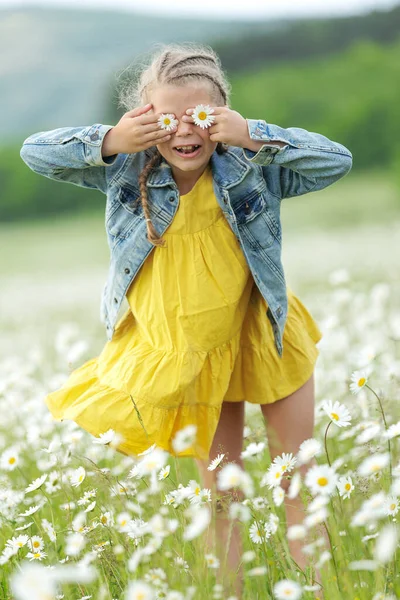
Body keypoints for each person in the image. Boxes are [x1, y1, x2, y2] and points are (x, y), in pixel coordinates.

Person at [20, 42, 352, 598]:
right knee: (221, 494)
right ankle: (231, 590)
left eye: (199, 116)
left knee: (297, 475)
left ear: (220, 116)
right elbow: (37, 152)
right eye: (165, 119)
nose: (183, 132)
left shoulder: (251, 167)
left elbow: (333, 161)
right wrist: (108, 141)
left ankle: (322, 589)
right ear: (144, 122)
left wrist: (251, 134)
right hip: (197, 354)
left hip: (265, 334)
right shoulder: (126, 168)